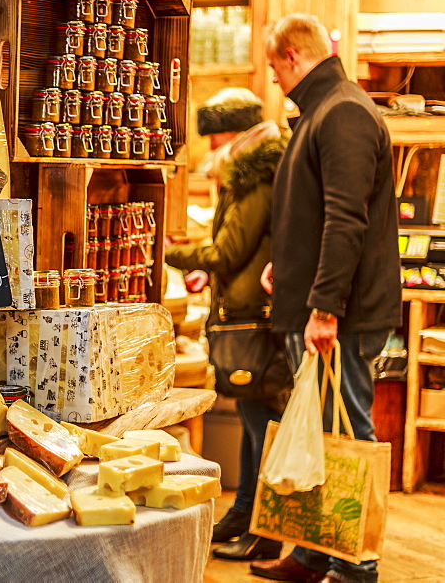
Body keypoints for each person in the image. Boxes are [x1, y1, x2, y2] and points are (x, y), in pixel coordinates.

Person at [253, 14, 401, 583]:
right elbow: (318, 215)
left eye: (273, 66)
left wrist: (323, 309)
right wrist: (284, 269)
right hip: (319, 306)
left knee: (346, 436)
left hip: (339, 316)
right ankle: (315, 553)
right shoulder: (325, 110)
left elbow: (346, 220)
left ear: (293, 56)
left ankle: (355, 565)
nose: (272, 78)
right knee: (321, 435)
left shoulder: (341, 112)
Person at [166, 88, 288, 562]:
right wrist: (209, 269)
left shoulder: (256, 175)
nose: (212, 150)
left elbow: (230, 251)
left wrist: (169, 251)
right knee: (254, 417)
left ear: (232, 134)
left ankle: (262, 526)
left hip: (254, 313)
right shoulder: (255, 168)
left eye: (215, 139)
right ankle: (243, 513)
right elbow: (237, 251)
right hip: (248, 306)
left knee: (261, 419)